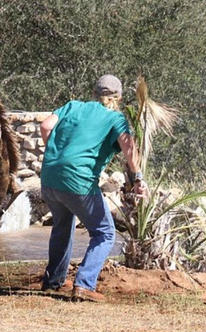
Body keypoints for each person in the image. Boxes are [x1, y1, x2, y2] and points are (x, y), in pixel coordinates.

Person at [39, 74, 148, 302]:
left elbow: (45, 125)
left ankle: (53, 281)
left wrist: (57, 153)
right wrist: (138, 177)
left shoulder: (72, 106)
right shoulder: (115, 118)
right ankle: (84, 284)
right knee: (105, 232)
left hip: (50, 176)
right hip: (78, 179)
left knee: (62, 225)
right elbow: (128, 149)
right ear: (118, 98)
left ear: (94, 93)